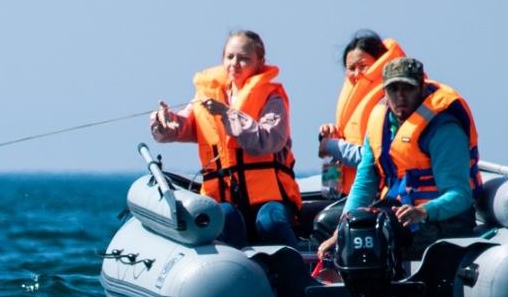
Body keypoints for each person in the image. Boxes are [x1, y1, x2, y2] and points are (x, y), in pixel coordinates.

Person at [316, 56, 483, 261]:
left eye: (408, 88)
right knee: (330, 223)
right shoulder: (380, 122)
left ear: (422, 89)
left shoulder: (444, 130)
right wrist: (340, 230)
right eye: (393, 89)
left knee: (377, 232)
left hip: (443, 219)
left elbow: (460, 195)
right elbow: (365, 181)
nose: (400, 96)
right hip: (397, 210)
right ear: (384, 91)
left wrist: (423, 211)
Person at [150, 30, 301, 247]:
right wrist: (165, 122)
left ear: (260, 62)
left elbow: (268, 141)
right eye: (230, 57)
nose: (235, 64)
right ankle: (238, 272)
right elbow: (182, 125)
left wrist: (228, 115)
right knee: (225, 216)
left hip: (271, 199)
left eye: (244, 58)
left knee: (269, 221)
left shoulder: (272, 98)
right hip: (225, 199)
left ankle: (298, 276)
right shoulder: (208, 96)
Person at [317, 30, 406, 195]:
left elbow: (372, 157)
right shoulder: (353, 98)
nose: (357, 74)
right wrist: (332, 135)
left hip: (378, 194)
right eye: (351, 68)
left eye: (363, 66)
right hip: (347, 191)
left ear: (379, 63)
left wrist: (331, 146)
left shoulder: (389, 100)